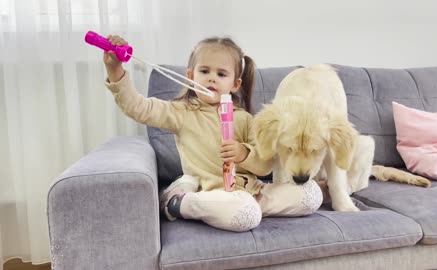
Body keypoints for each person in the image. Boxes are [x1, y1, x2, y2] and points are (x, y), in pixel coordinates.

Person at [103, 35, 323, 232]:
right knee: (245, 213)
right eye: (204, 71)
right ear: (191, 75)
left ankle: (244, 209)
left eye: (221, 74)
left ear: (235, 84)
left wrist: (244, 154)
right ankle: (180, 203)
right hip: (209, 192)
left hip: (249, 193)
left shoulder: (245, 119)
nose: (211, 79)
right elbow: (139, 107)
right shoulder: (182, 112)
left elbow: (265, 165)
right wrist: (116, 72)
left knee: (311, 195)